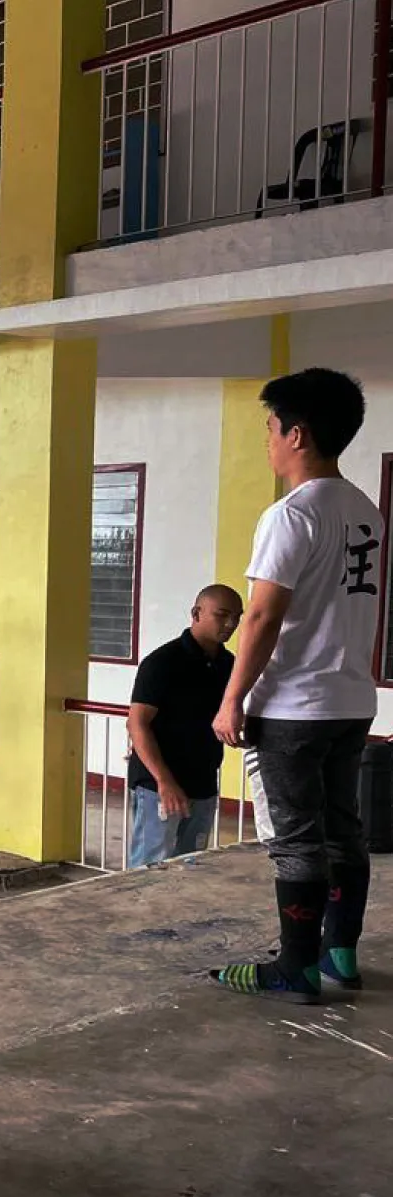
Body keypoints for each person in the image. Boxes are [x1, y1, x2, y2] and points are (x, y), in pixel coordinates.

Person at [212, 369, 382, 1003]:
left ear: (297, 433)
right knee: (344, 830)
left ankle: (294, 968)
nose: (268, 440)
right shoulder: (365, 511)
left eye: (271, 427)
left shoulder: (291, 515)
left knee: (295, 841)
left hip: (292, 705)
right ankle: (339, 955)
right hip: (351, 699)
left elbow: (261, 616)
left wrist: (232, 698)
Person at [126, 585, 243, 870]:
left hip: (202, 783)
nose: (230, 624)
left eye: (237, 617)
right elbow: (137, 724)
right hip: (158, 785)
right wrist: (164, 782)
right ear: (196, 613)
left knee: (191, 865)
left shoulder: (229, 665)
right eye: (222, 615)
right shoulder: (163, 662)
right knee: (151, 867)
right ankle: (142, 916)